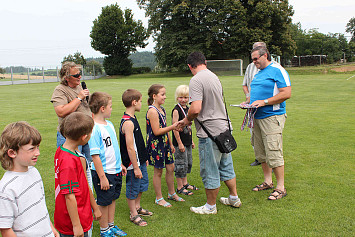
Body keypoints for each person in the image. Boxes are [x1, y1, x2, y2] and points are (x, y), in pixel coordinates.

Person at [179, 52, 241, 215]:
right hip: (224, 130)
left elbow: (195, 108)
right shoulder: (214, 76)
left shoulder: (196, 80)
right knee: (226, 166)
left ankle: (210, 206)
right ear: (205, 62)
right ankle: (233, 198)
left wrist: (186, 121)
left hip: (210, 133)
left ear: (190, 66)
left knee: (210, 169)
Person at [0, 121, 59, 237]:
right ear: (12, 153)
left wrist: (51, 228)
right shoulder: (6, 189)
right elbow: (5, 228)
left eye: (38, 147)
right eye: (32, 149)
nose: (38, 152)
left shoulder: (34, 172)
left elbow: (41, 206)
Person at [248, 46, 291, 200]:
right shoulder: (258, 72)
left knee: (273, 151)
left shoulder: (277, 70)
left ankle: (281, 187)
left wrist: (264, 102)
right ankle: (268, 181)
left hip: (272, 117)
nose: (253, 62)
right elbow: (255, 94)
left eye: (255, 59)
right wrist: (248, 102)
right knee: (261, 152)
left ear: (265, 55)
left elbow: (286, 93)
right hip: (257, 117)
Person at [54, 112, 101, 237]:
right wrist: (76, 225)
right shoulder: (68, 162)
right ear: (84, 137)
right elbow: (69, 196)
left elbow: (84, 183)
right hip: (73, 222)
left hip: (82, 214)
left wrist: (95, 207)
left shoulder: (66, 152)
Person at [88, 92, 127, 237]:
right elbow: (95, 156)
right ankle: (104, 230)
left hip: (114, 170)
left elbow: (113, 149)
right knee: (104, 201)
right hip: (104, 173)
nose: (112, 109)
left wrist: (121, 164)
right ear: (102, 108)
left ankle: (111, 225)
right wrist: (102, 177)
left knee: (112, 198)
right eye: (110, 106)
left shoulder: (109, 124)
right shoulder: (94, 128)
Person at [119, 89, 152, 227]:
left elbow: (138, 143)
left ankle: (137, 207)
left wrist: (144, 157)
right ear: (134, 102)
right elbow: (130, 148)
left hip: (140, 161)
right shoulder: (128, 122)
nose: (141, 104)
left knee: (142, 185)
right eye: (140, 101)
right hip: (133, 165)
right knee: (133, 188)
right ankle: (133, 213)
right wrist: (136, 167)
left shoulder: (133, 118)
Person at [146, 84, 182, 207]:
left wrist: (171, 144)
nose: (165, 97)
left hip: (165, 144)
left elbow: (165, 129)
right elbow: (156, 131)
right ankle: (159, 198)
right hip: (156, 145)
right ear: (154, 96)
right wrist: (174, 126)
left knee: (171, 168)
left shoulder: (162, 109)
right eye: (162, 94)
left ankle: (171, 193)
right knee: (158, 171)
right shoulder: (152, 111)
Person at [242, 41, 267, 166]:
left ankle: (271, 161)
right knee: (254, 135)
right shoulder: (250, 67)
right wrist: (248, 98)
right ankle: (259, 158)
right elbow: (245, 84)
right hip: (253, 108)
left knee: (268, 136)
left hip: (267, 109)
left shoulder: (273, 67)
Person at [171, 85, 198, 196]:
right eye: (181, 97)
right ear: (177, 97)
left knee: (188, 163)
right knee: (180, 164)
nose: (183, 100)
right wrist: (180, 143)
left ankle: (185, 183)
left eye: (186, 97)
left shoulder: (188, 109)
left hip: (187, 141)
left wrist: (191, 141)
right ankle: (179, 186)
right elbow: (175, 128)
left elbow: (189, 126)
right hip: (180, 143)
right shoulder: (176, 110)